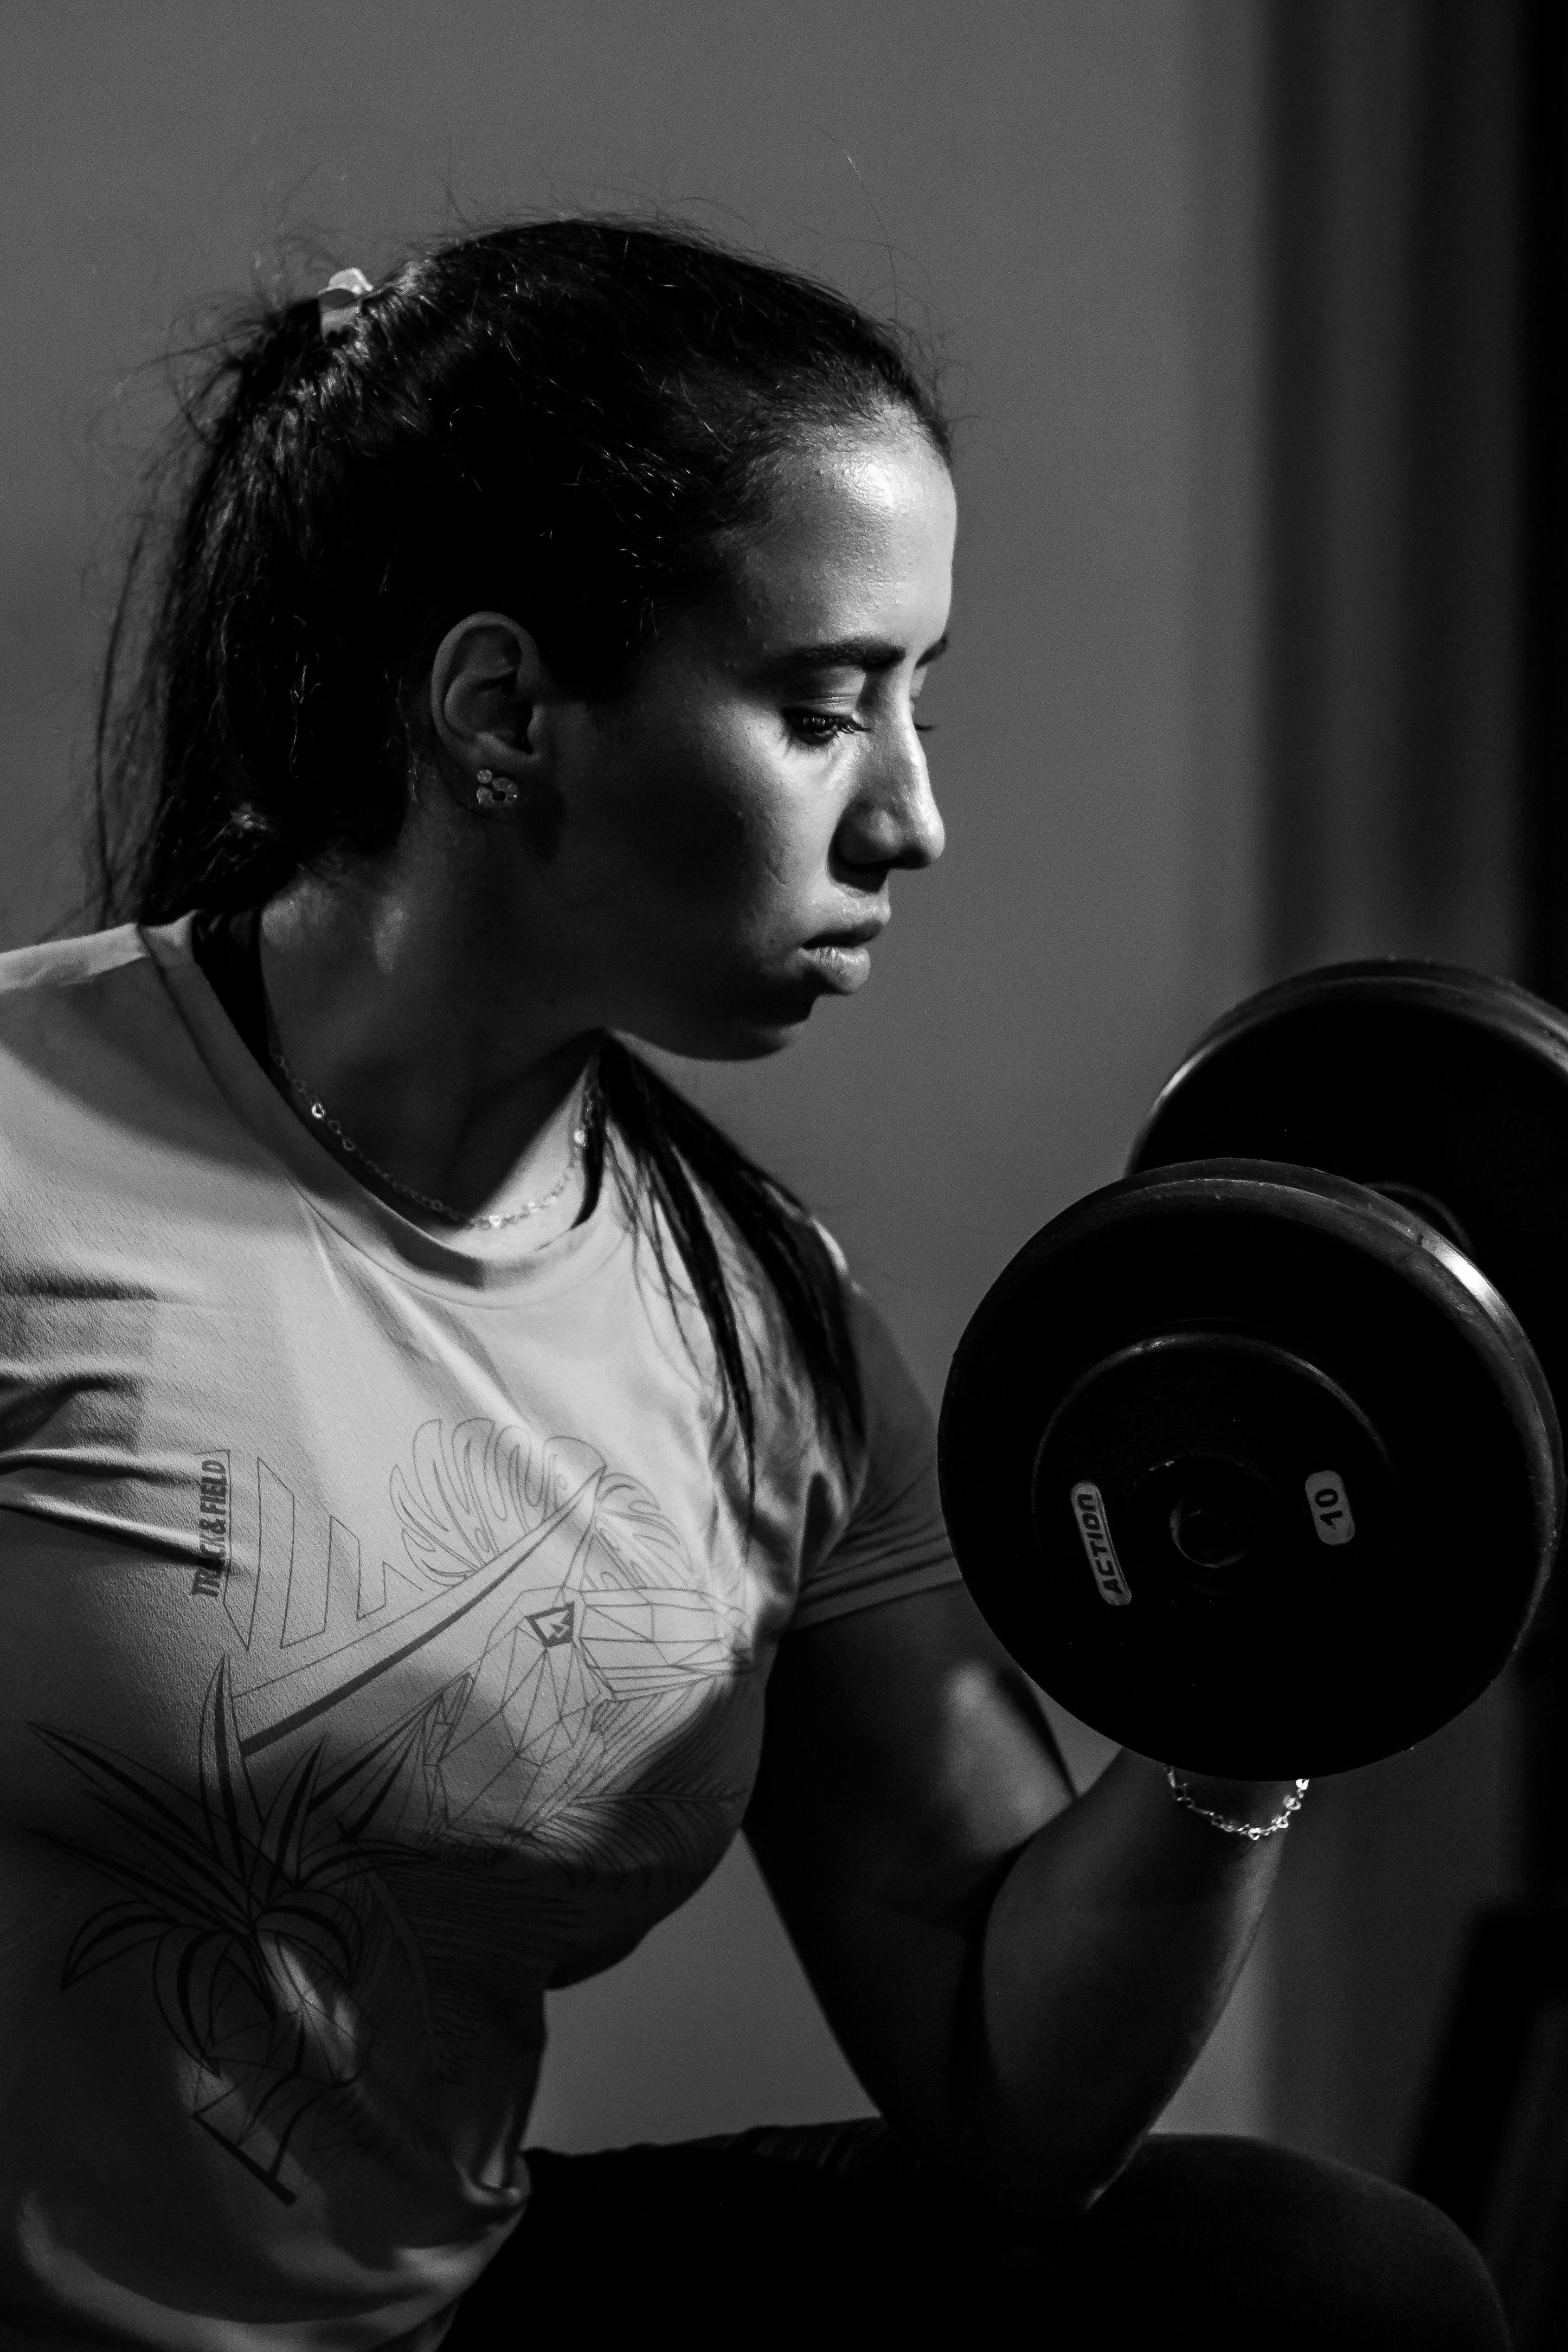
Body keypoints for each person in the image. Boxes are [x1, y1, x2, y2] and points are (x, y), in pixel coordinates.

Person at [0, 220, 1506, 2352]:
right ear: (506, 707)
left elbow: (1006, 2088)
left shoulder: (763, 1327)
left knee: (1323, 2293)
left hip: (425, 2314)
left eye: (918, 695)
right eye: (824, 706)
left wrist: (1245, 1686)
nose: (912, 815)